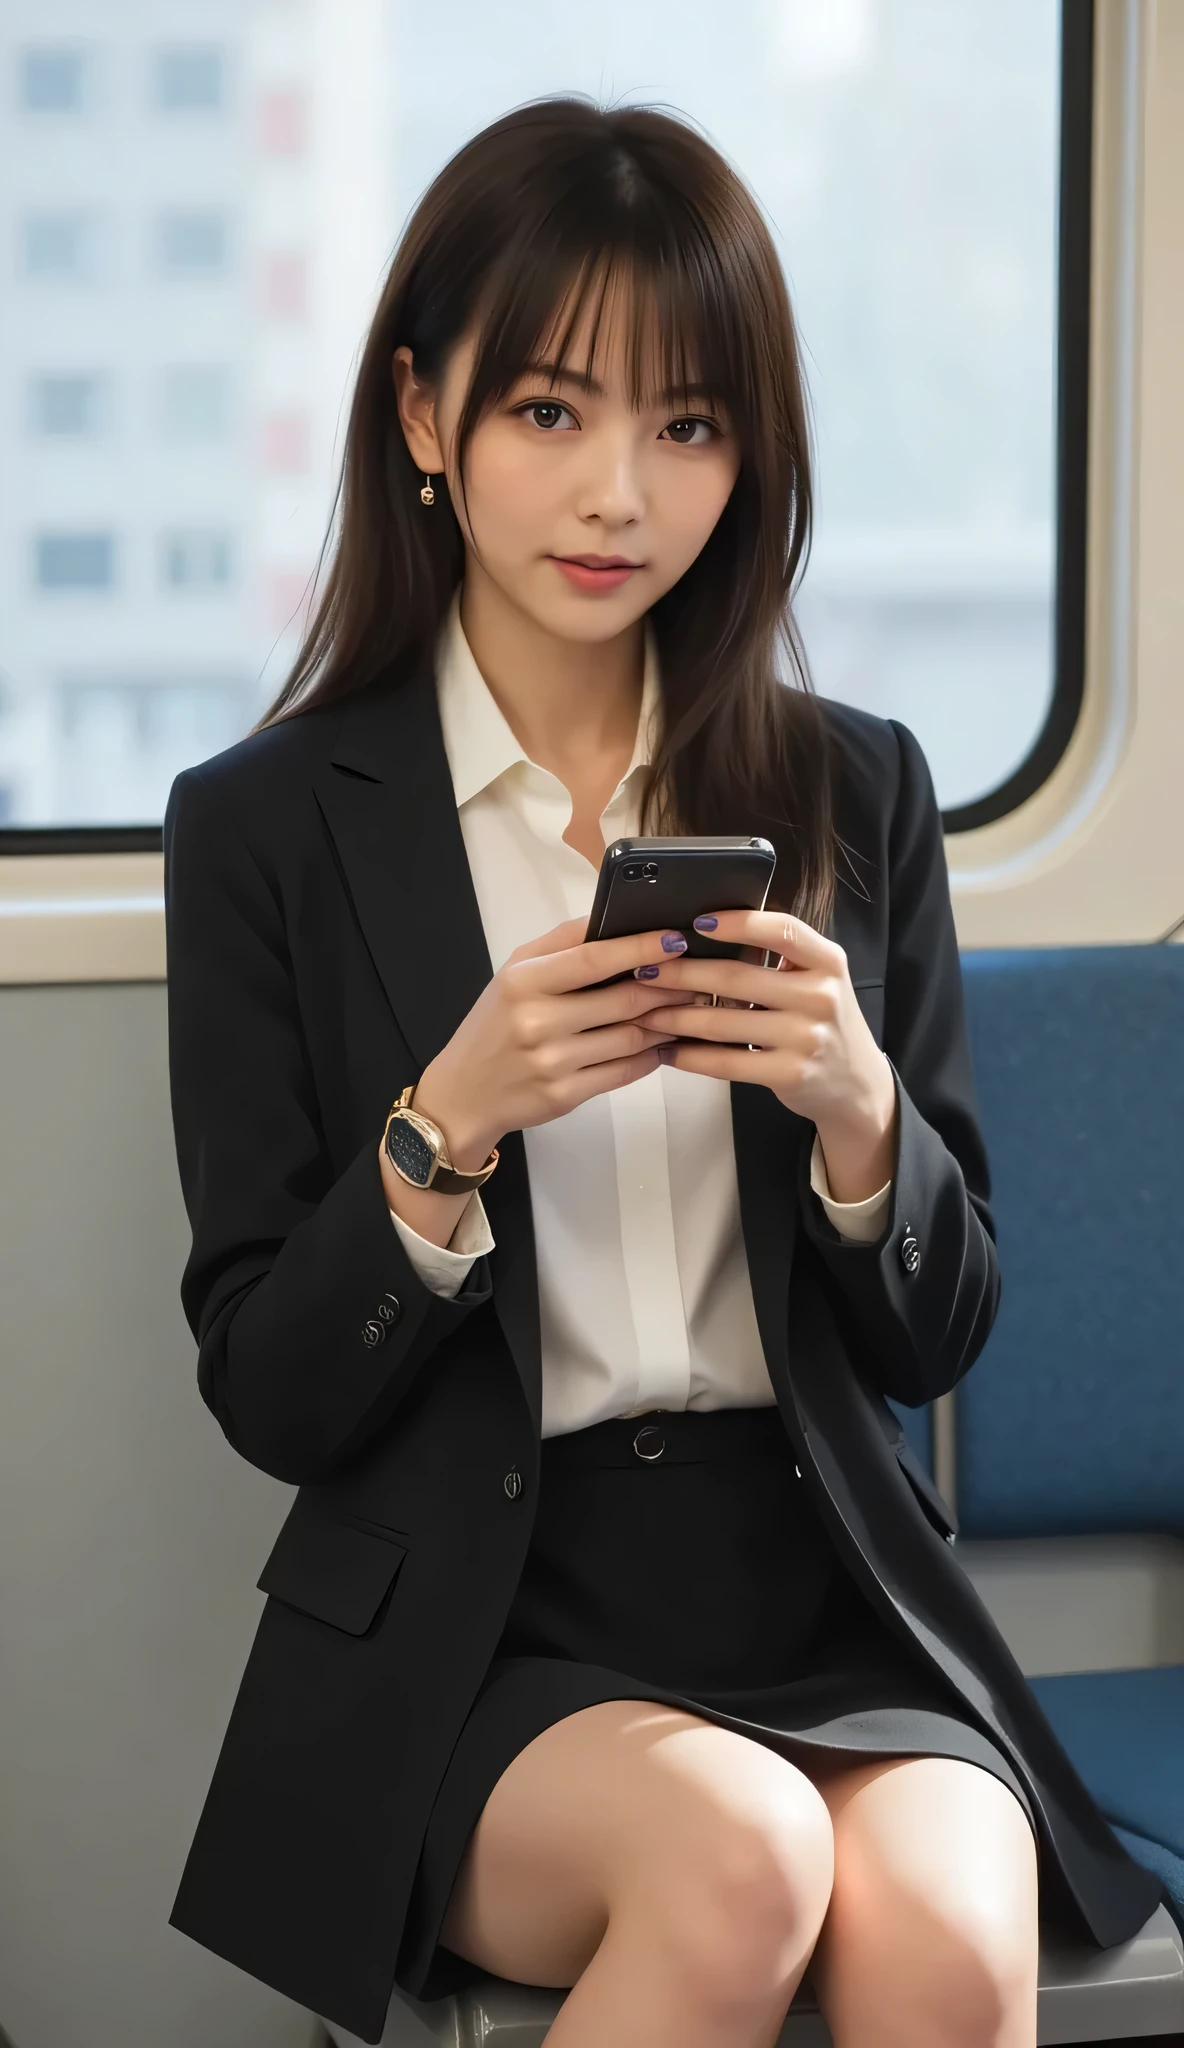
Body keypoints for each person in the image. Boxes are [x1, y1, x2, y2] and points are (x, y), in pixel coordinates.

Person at [162, 96, 1161, 2048]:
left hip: (829, 1582)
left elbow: (940, 1335)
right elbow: (269, 1389)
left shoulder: (852, 787)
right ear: (424, 415)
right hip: (483, 1619)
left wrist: (861, 1119)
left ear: (746, 459)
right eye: (551, 410)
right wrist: (447, 1123)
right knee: (741, 1860)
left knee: (949, 1939)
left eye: (687, 426)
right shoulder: (270, 827)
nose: (617, 492)